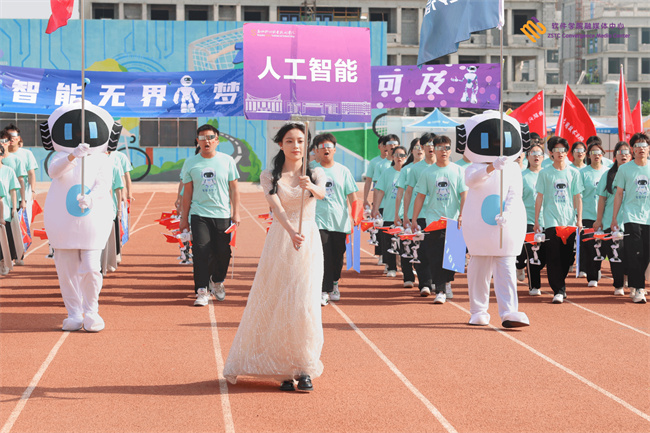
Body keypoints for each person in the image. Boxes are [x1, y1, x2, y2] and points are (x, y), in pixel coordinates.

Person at [224, 122, 326, 392]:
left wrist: (311, 187)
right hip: (282, 239)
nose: (296, 146)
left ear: (307, 145)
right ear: (281, 144)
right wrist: (291, 231)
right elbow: (277, 208)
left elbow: (323, 194)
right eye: (290, 141)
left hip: (308, 241)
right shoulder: (270, 175)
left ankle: (304, 368)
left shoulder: (315, 173)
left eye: (301, 141)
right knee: (278, 301)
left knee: (304, 303)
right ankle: (282, 370)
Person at [41, 101, 120, 332]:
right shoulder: (59, 156)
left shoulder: (102, 159)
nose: (79, 134)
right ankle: (74, 313)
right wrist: (72, 156)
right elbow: (54, 172)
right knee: (66, 272)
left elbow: (103, 184)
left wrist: (91, 198)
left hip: (92, 222)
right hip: (62, 223)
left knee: (92, 268)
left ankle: (92, 311)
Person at [458, 111, 530, 328]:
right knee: (479, 269)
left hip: (505, 229)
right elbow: (472, 181)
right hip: (479, 229)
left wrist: (508, 213)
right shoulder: (474, 167)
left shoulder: (514, 168)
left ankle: (509, 311)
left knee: (506, 269)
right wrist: (491, 167)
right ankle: (478, 311)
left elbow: (515, 193)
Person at [179, 125, 240, 306]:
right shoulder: (191, 163)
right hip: (199, 214)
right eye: (202, 137)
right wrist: (184, 218)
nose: (207, 141)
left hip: (222, 214)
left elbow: (234, 188)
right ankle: (202, 290)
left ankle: (217, 281)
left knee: (223, 252)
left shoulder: (227, 161)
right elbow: (187, 192)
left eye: (210, 137)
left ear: (217, 141)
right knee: (201, 251)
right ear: (197, 141)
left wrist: (236, 212)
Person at [412, 135, 468, 304]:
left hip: (454, 220)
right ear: (434, 150)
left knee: (454, 257)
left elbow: (464, 194)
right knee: (436, 256)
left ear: (450, 150)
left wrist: (462, 215)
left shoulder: (458, 170)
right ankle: (441, 289)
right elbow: (420, 196)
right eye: (440, 148)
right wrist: (414, 219)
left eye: (447, 148)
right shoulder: (427, 173)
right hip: (434, 220)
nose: (444, 151)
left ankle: (447, 282)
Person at [535, 136, 584, 304]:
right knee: (553, 255)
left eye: (563, 150)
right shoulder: (545, 173)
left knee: (567, 256)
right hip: (551, 220)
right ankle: (558, 290)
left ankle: (560, 284)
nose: (560, 153)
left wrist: (579, 220)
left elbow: (578, 197)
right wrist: (537, 221)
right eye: (556, 150)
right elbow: (539, 197)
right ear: (551, 153)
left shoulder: (574, 173)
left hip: (569, 220)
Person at [312, 133, 359, 305]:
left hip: (339, 220)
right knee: (324, 254)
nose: (326, 149)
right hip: (318, 219)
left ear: (334, 150)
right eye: (322, 147)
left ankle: (334, 283)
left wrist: (355, 216)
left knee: (338, 255)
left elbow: (353, 197)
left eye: (329, 146)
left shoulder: (343, 171)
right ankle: (324, 290)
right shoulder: (312, 171)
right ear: (316, 151)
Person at [611, 133, 650, 304]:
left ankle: (635, 283)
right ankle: (639, 288)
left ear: (648, 149)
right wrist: (614, 218)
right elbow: (619, 194)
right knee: (635, 252)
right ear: (633, 149)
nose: (641, 149)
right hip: (631, 216)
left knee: (646, 254)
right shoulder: (625, 169)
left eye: (644, 145)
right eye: (637, 146)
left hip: (648, 217)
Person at [593, 142, 631, 296]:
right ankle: (618, 285)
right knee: (616, 255)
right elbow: (602, 199)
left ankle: (630, 279)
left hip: (632, 221)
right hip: (612, 222)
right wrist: (599, 220)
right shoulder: (608, 175)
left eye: (626, 152)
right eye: (620, 152)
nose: (624, 155)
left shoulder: (634, 174)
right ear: (615, 156)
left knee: (632, 254)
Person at [402, 133, 437, 296]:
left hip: (439, 215)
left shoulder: (445, 167)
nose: (431, 147)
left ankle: (438, 280)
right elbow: (408, 192)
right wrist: (407, 215)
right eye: (427, 144)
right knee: (422, 250)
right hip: (421, 214)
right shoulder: (415, 169)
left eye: (433, 144)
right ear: (422, 147)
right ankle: (425, 283)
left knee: (438, 250)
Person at [372, 145, 411, 282]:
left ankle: (407, 269)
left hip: (405, 214)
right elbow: (380, 191)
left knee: (405, 243)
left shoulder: (409, 172)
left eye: (402, 155)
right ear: (392, 157)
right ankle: (391, 267)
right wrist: (376, 208)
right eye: (397, 155)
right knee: (389, 243)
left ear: (406, 157)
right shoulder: (387, 173)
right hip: (389, 213)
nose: (400, 158)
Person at [516, 144, 546, 296]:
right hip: (528, 219)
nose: (536, 156)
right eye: (533, 153)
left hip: (547, 219)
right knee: (533, 252)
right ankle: (534, 286)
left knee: (544, 255)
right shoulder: (522, 176)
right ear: (527, 157)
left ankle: (520, 262)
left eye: (539, 153)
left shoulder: (547, 175)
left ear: (543, 157)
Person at [394, 138, 424, 289]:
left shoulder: (430, 168)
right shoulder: (406, 170)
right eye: (416, 147)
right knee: (407, 246)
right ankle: (408, 276)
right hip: (409, 213)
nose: (420, 150)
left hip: (425, 214)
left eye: (421, 147)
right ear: (411, 151)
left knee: (422, 248)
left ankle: (425, 278)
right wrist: (399, 214)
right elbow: (400, 193)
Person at [580, 142, 608, 287]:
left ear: (603, 155)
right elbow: (578, 196)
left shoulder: (608, 172)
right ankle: (592, 276)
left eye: (599, 152)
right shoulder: (583, 173)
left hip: (605, 216)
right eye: (593, 152)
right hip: (588, 215)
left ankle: (597, 269)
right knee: (591, 246)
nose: (597, 155)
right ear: (588, 155)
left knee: (603, 247)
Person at [3, 125, 37, 224]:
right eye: (8, 136)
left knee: (21, 226)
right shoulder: (2, 155)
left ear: (18, 138)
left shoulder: (27, 154)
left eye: (13, 135)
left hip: (21, 197)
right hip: (5, 198)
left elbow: (31, 174)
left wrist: (32, 191)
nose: (11, 138)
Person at [0, 143, 21, 275]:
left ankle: (5, 262)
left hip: (5, 209)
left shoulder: (8, 171)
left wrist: (14, 207)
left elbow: (13, 190)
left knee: (5, 238)